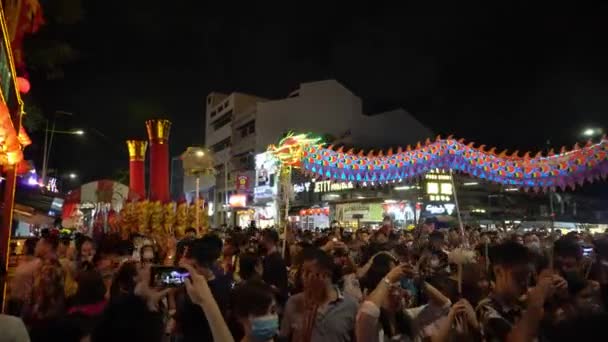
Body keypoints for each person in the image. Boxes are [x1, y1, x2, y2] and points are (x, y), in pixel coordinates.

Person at [476, 241, 565, 341]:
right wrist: (537, 300)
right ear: (499, 271)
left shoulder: (521, 303)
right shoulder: (486, 309)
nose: (525, 284)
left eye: (527, 277)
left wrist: (555, 297)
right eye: (519, 278)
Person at [280, 248, 358, 342]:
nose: (303, 277)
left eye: (308, 272)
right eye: (302, 272)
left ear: (326, 275)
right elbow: (284, 337)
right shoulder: (294, 302)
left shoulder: (350, 305)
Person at [174, 236, 232, 341]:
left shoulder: (199, 291)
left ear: (195, 265)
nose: (181, 262)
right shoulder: (223, 281)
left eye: (184, 257)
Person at [260, 229, 289, 307]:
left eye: (263, 237)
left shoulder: (277, 259)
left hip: (275, 301)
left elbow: (282, 287)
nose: (261, 239)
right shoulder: (267, 256)